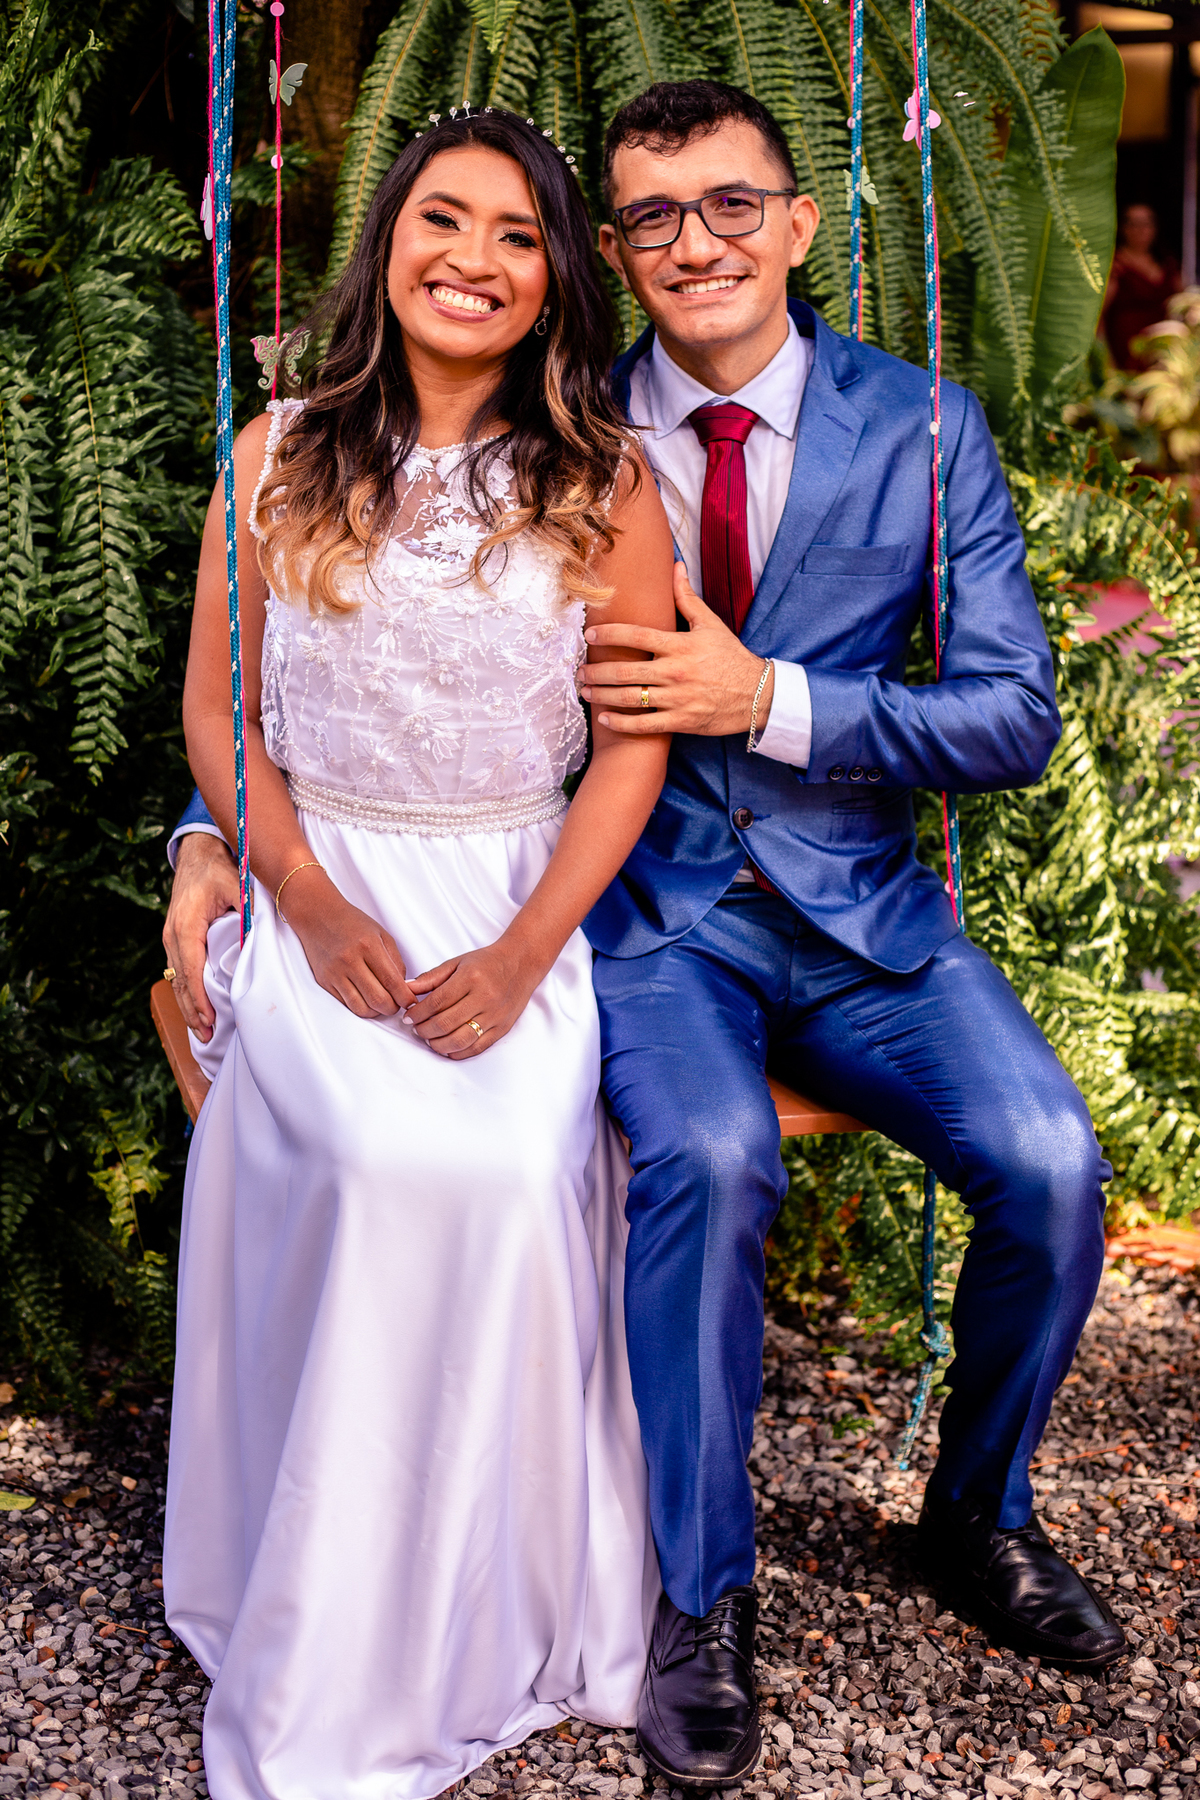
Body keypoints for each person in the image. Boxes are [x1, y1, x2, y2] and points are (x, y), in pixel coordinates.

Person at [165, 78, 1127, 1797]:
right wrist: (210, 844)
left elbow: (1011, 716)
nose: (698, 243)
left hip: (862, 918)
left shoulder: (921, 429)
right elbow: (317, 668)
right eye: (655, 217)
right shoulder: (549, 399)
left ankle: (978, 1516)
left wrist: (768, 699)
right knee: (704, 1154)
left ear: (800, 223)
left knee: (1054, 1165)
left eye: (732, 205)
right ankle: (698, 1602)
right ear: (611, 253)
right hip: (653, 923)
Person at [162, 108, 676, 1800]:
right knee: (377, 1160)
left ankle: (472, 1611)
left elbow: (630, 750)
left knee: (509, 1168)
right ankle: (318, 1609)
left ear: (555, 280)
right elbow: (218, 715)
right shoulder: (278, 454)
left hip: (516, 892)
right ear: (388, 243)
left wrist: (528, 954)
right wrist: (300, 894)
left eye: (519, 234)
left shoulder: (603, 484)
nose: (474, 258)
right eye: (442, 219)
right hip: (324, 882)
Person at [1102, 202, 1181, 370]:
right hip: (1125, 355)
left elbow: (1183, 302)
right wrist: (1106, 361)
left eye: (1146, 224)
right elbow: (1099, 316)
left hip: (1163, 354)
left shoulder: (1168, 263)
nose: (1140, 230)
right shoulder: (1115, 265)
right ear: (1122, 228)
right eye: (1133, 224)